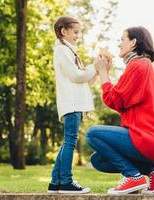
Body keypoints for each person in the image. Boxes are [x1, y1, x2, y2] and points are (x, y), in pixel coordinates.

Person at [86, 26, 154, 195]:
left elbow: (113, 100)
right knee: (98, 160)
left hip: (149, 139)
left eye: (122, 39)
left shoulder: (139, 66)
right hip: (151, 139)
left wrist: (103, 72)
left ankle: (133, 177)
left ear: (133, 42)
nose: (119, 44)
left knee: (92, 134)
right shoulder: (143, 67)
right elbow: (121, 102)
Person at [47, 16, 97, 194]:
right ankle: (66, 182)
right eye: (75, 32)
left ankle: (55, 182)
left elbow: (83, 79)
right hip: (71, 103)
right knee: (70, 141)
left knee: (67, 141)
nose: (78, 36)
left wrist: (96, 69)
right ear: (63, 31)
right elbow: (76, 76)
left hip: (74, 102)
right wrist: (94, 67)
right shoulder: (62, 50)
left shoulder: (69, 51)